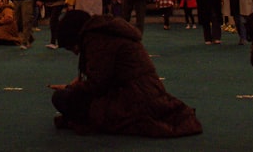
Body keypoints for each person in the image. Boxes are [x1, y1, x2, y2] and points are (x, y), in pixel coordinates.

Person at [49, 10, 203, 138]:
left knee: (62, 98)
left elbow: (98, 85)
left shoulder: (97, 39)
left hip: (133, 98)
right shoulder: (106, 32)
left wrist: (71, 88)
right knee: (71, 96)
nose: (76, 53)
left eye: (72, 47)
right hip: (147, 91)